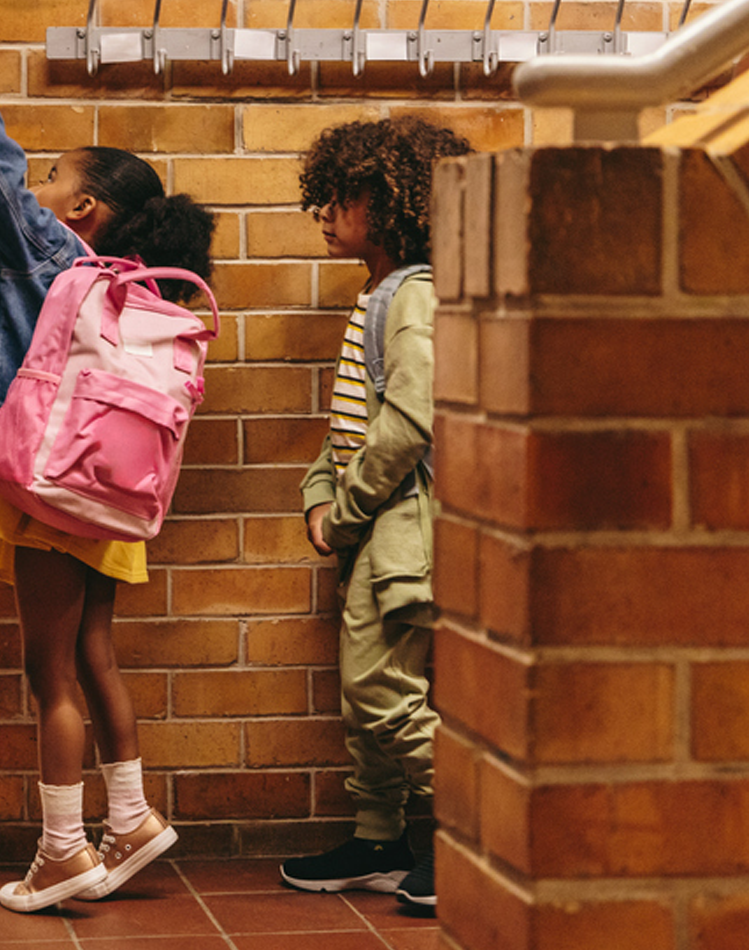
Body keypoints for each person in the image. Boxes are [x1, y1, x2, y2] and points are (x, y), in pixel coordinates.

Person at [0, 0, 217, 914]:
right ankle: (132, 816)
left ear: (86, 207)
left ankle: (63, 852)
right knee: (96, 650)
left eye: (52, 186)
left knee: (49, 669)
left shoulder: (57, 257)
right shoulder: (137, 291)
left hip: (55, 483)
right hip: (112, 488)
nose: (35, 196)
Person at [277, 117, 470, 918]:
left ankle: (478, 836)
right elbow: (350, 426)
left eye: (342, 196)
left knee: (379, 686)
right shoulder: (381, 292)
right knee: (367, 691)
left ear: (393, 203)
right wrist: (321, 493)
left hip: (400, 522)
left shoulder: (414, 292)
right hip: (371, 516)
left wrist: (349, 511)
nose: (324, 211)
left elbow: (412, 418)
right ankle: (381, 836)